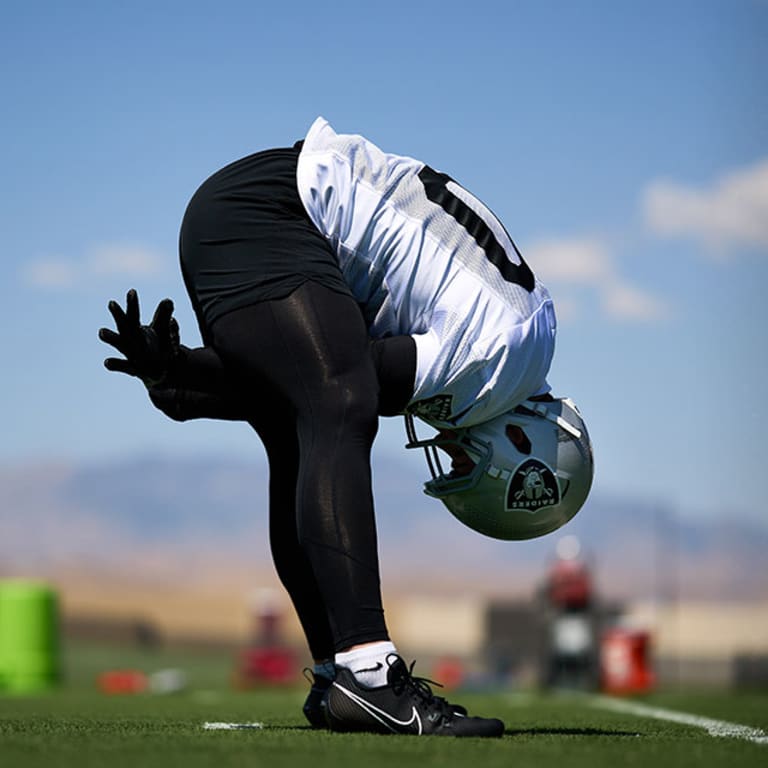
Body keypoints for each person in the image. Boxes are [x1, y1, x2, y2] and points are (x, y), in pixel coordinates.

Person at [99, 117, 594, 737]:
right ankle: (369, 673)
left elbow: (296, 385)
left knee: (304, 424)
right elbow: (341, 383)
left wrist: (179, 373)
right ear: (520, 444)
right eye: (470, 467)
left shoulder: (521, 346)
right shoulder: (496, 361)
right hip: (276, 214)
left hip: (261, 208)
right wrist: (189, 380)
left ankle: (338, 676)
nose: (449, 453)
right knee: (337, 406)